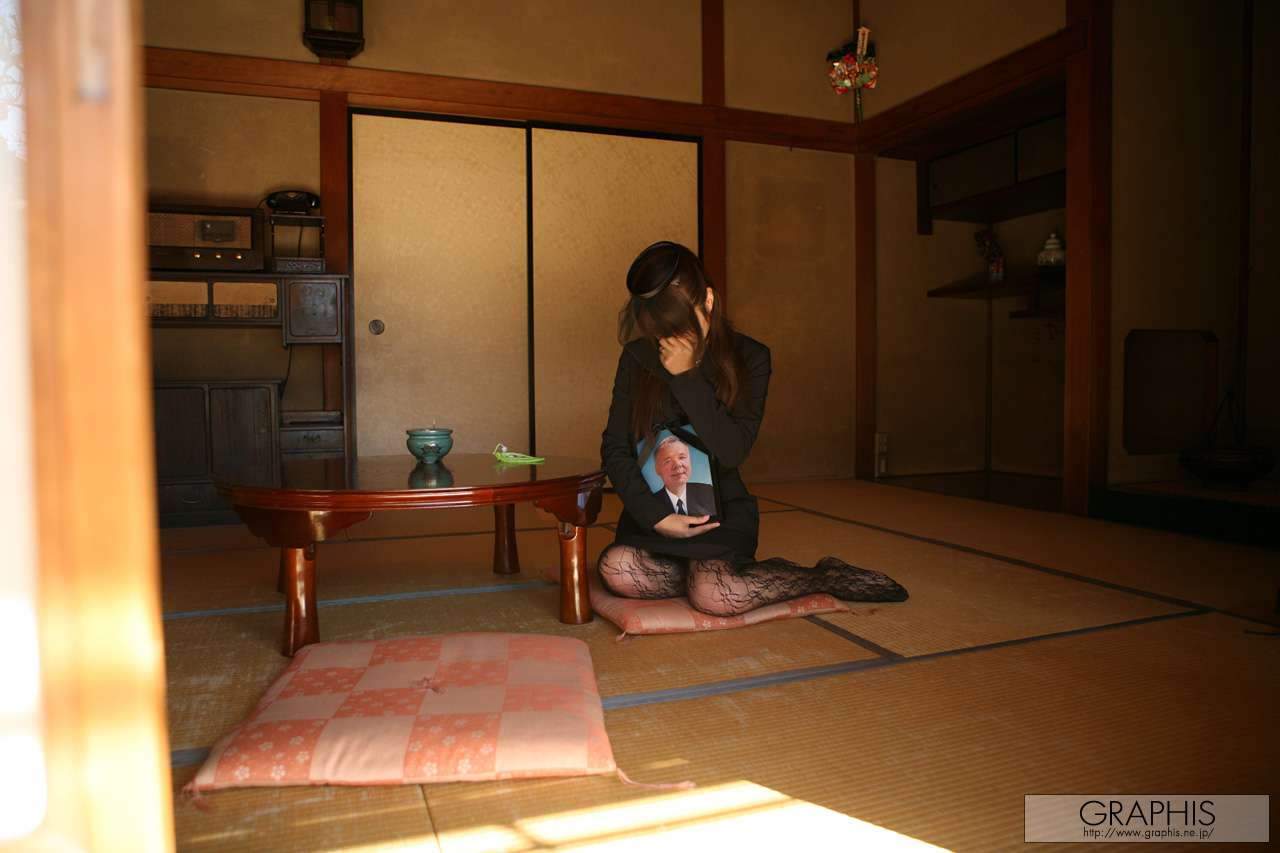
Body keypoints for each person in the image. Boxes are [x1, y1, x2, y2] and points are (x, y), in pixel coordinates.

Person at [598, 241, 908, 616]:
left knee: (716, 596)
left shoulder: (751, 358)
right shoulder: (637, 358)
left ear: (707, 301)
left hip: (720, 514)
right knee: (617, 569)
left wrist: (687, 377)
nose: (668, 340)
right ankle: (698, 577)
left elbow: (733, 451)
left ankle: (821, 576)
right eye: (660, 330)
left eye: (678, 326)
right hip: (657, 509)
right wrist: (657, 518)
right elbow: (615, 448)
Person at [650, 435, 716, 518]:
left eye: (682, 457)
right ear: (657, 469)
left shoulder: (708, 492)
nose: (678, 465)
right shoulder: (651, 503)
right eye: (668, 461)